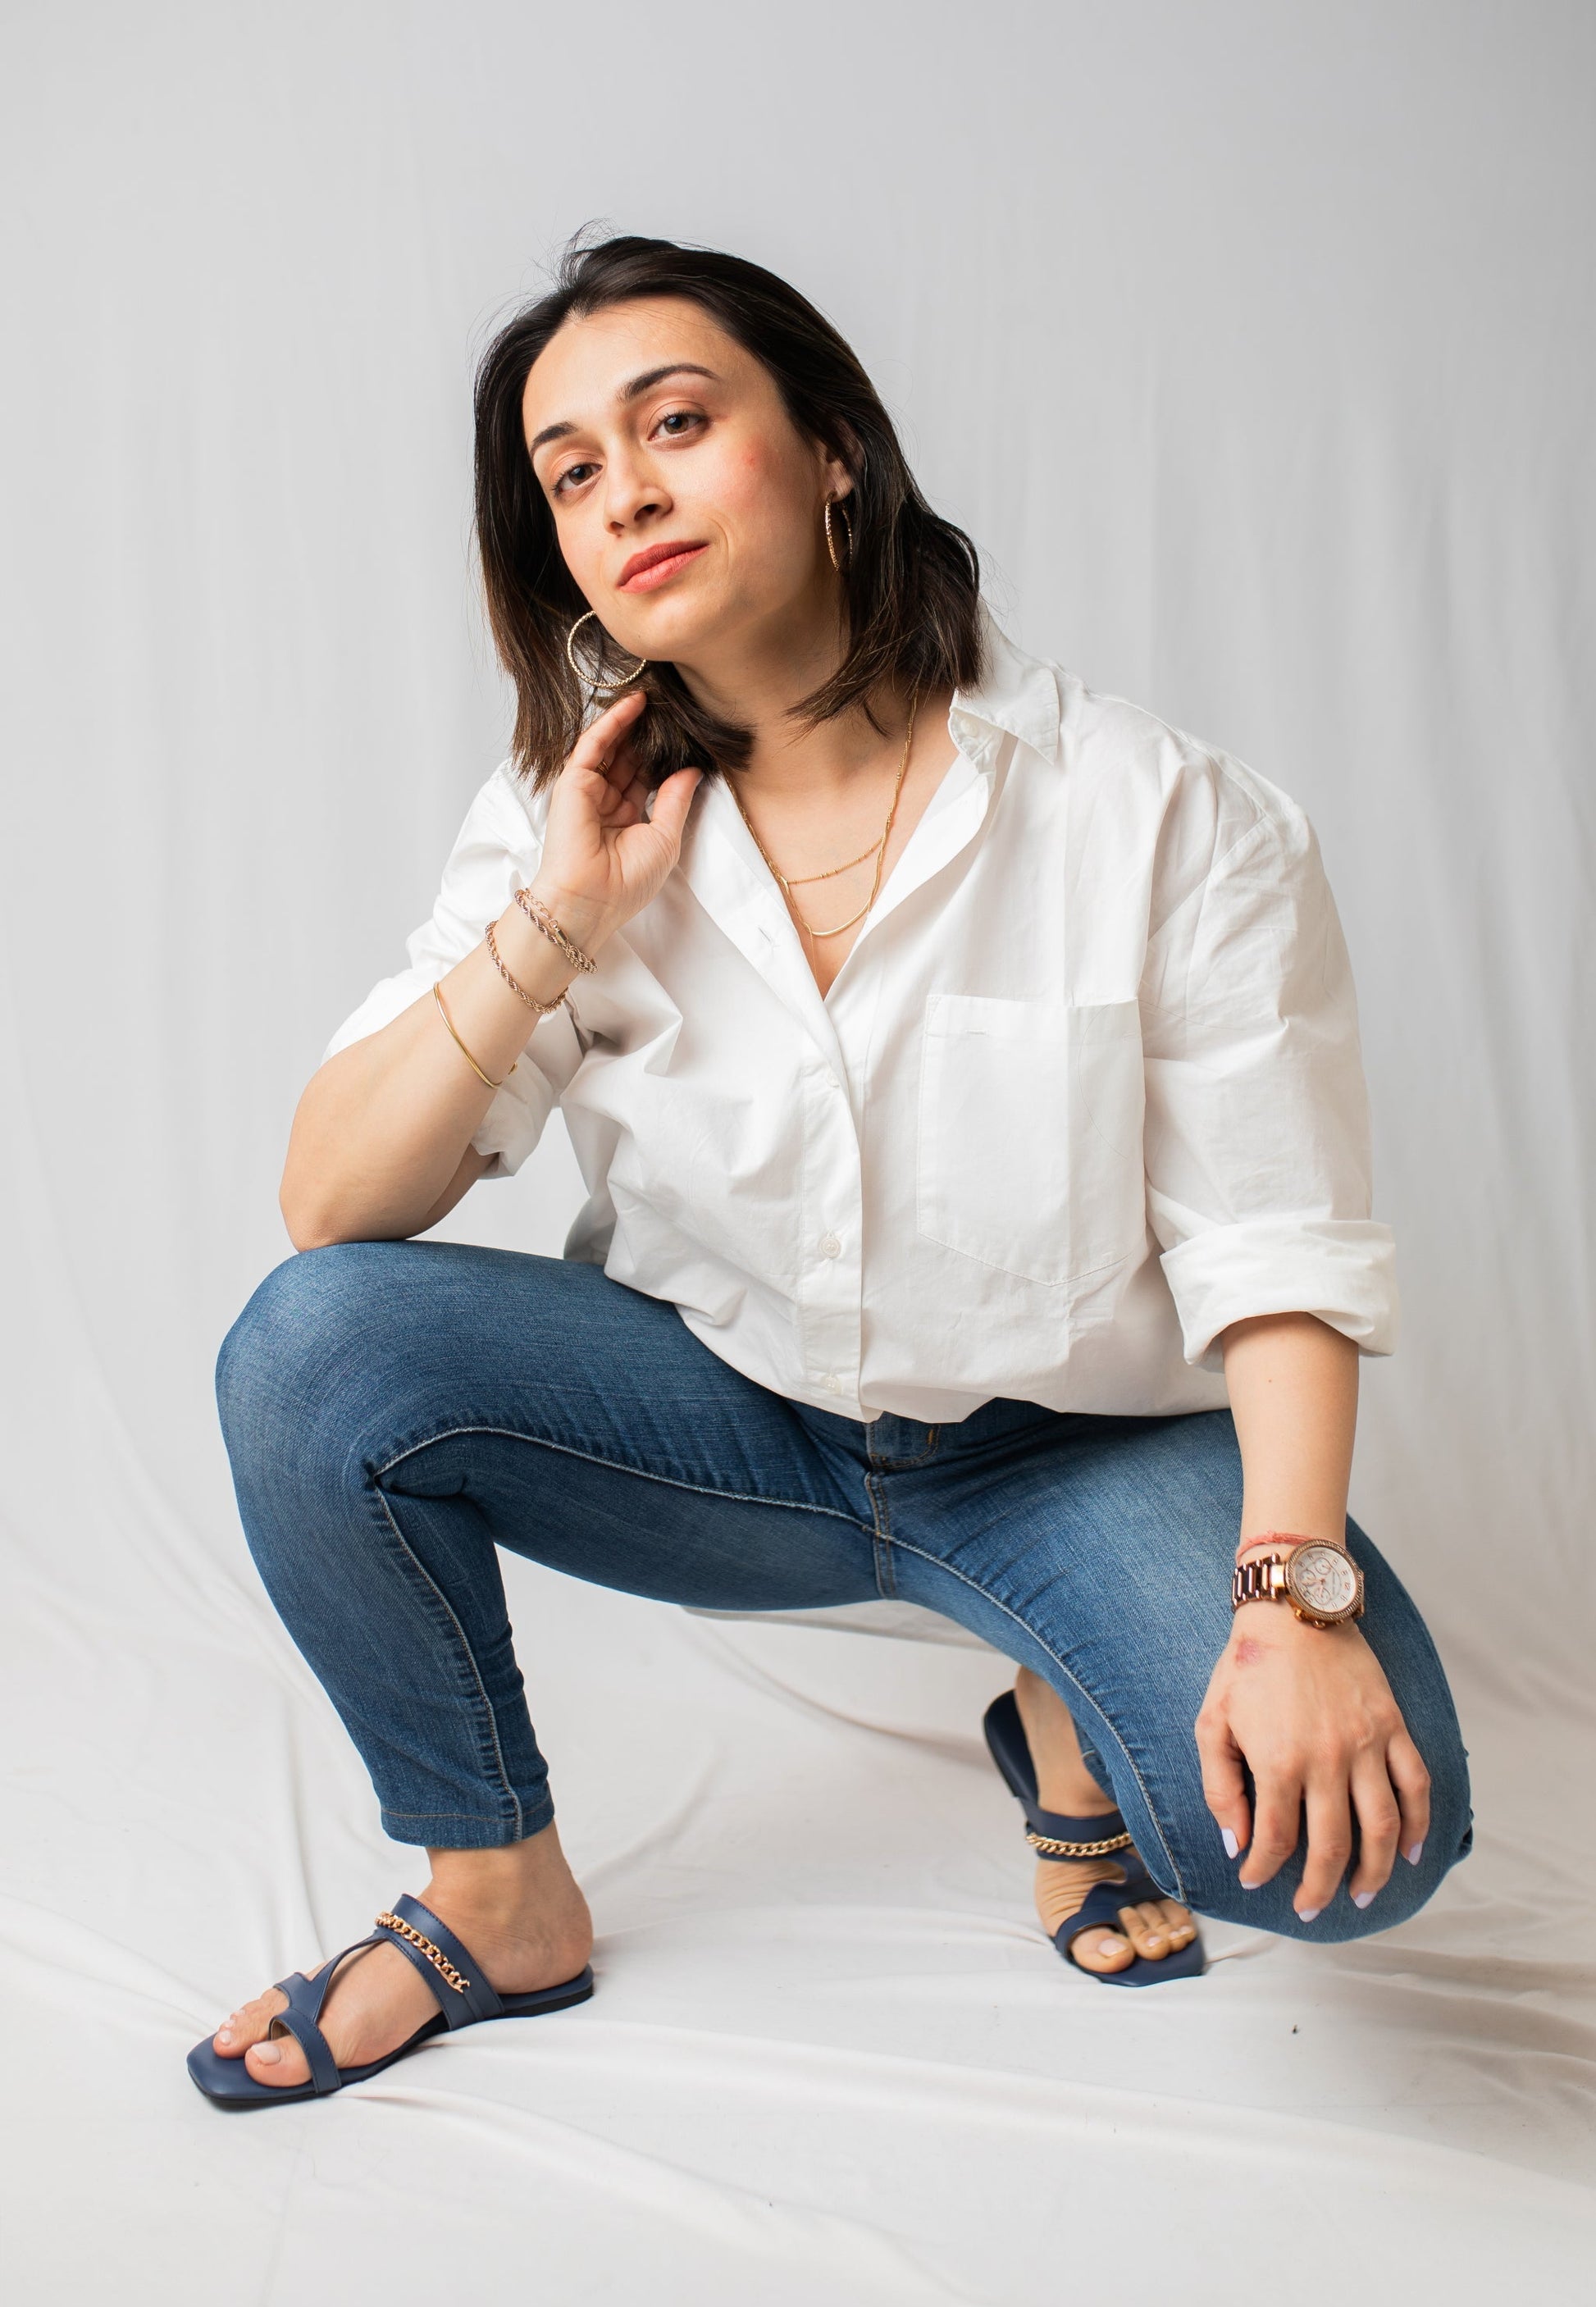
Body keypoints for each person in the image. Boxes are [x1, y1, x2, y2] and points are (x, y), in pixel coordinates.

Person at [191, 232, 1471, 2106]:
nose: (623, 486)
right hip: (735, 1432)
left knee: (1338, 1854)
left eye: (677, 422)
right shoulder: (573, 817)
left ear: (834, 450)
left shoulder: (1160, 813)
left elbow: (1271, 1243)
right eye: (568, 471)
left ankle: (1068, 1719)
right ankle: (498, 1896)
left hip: (1072, 1451)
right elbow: (334, 1207)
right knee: (312, 1345)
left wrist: (1287, 1597)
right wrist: (558, 916)